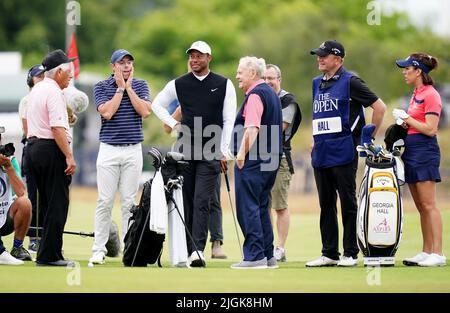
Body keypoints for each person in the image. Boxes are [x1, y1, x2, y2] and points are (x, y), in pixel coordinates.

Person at [152, 40, 236, 267]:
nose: (195, 60)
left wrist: (224, 151)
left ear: (209, 58)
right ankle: (189, 250)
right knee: (187, 201)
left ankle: (197, 250)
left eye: (199, 56)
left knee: (202, 201)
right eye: (192, 56)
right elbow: (156, 105)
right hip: (185, 151)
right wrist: (172, 122)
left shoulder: (224, 84)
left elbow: (229, 120)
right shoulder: (179, 83)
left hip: (211, 152)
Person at [306, 40, 386, 267]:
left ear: (338, 59)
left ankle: (350, 253)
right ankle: (329, 253)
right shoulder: (316, 83)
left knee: (348, 202)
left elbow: (379, 107)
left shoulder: (351, 81)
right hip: (322, 151)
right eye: (318, 55)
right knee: (326, 203)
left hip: (344, 150)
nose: (319, 59)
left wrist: (368, 137)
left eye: (324, 56)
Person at [90, 49, 151, 265]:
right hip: (108, 149)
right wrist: (119, 90)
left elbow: (144, 111)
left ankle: (129, 248)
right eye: (122, 63)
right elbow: (107, 112)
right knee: (105, 201)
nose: (126, 66)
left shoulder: (141, 85)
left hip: (133, 149)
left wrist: (129, 89)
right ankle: (98, 249)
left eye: (129, 62)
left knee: (128, 203)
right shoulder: (101, 86)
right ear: (112, 66)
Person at [393, 53, 446, 267]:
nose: (404, 72)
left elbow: (431, 129)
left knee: (429, 204)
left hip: (425, 150)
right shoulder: (416, 93)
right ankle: (426, 251)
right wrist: (405, 124)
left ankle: (438, 253)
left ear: (418, 71)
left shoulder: (431, 94)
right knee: (420, 205)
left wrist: (407, 118)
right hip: (412, 150)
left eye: (407, 68)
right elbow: (417, 124)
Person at [231, 56, 283, 269]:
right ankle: (268, 255)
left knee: (248, 206)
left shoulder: (255, 95)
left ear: (252, 73)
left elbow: (252, 128)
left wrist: (241, 155)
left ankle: (254, 257)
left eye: (240, 72)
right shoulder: (271, 93)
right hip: (270, 158)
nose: (237, 76)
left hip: (255, 158)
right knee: (261, 206)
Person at [26, 49, 77, 266]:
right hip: (50, 150)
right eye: (68, 71)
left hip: (32, 148)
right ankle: (50, 255)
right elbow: (57, 127)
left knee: (44, 205)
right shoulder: (55, 92)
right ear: (58, 73)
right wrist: (69, 156)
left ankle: (45, 253)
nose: (71, 75)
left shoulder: (37, 89)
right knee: (57, 204)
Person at [164, 105, 228, 259]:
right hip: (187, 156)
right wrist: (179, 114)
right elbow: (167, 128)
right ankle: (189, 246)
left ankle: (216, 243)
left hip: (210, 154)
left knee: (212, 200)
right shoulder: (182, 103)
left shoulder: (214, 101)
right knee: (188, 202)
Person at [264, 64, 301, 262]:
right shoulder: (260, 97)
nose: (268, 82)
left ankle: (280, 248)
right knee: (264, 205)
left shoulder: (288, 101)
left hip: (280, 157)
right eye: (265, 78)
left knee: (279, 205)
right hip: (261, 156)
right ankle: (266, 246)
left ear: (280, 79)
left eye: (272, 78)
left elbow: (279, 128)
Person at [18, 64, 45, 253]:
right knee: (34, 196)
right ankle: (34, 238)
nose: (42, 78)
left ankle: (47, 236)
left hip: (50, 151)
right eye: (38, 76)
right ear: (31, 80)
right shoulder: (27, 100)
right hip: (34, 149)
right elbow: (28, 130)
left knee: (49, 197)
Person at [0, 126, 33, 265]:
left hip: (5, 217)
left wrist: (8, 168)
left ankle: (17, 248)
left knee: (25, 203)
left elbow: (20, 192)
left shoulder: (9, 160)